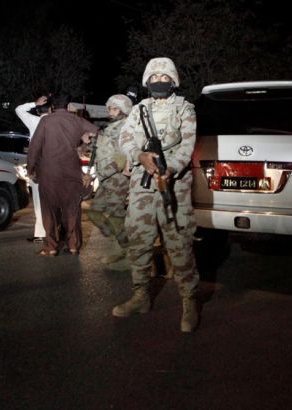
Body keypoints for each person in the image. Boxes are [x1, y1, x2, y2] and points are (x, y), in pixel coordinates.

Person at [113, 57, 200, 332]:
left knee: (179, 242)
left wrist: (170, 168)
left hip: (174, 185)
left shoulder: (185, 108)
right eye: (154, 77)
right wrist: (138, 155)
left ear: (173, 81)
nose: (159, 81)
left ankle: (189, 300)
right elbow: (125, 138)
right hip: (142, 184)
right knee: (138, 241)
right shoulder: (139, 109)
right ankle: (140, 295)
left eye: (164, 78)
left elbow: (187, 145)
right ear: (147, 81)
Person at [26, 94, 98, 256]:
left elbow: (34, 147)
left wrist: (31, 169)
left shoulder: (46, 121)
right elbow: (97, 133)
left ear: (52, 107)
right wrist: (83, 143)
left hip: (49, 173)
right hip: (71, 171)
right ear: (68, 106)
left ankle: (51, 247)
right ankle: (73, 246)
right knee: (72, 209)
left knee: (49, 211)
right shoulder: (77, 120)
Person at [85, 94, 132, 266]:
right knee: (94, 212)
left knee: (115, 216)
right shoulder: (110, 128)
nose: (110, 112)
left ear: (123, 110)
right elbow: (100, 149)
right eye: (109, 108)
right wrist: (90, 141)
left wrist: (100, 174)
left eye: (114, 109)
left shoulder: (125, 129)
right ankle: (124, 242)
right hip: (106, 179)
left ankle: (126, 249)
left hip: (117, 180)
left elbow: (121, 159)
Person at [16, 95, 49, 241]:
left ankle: (42, 234)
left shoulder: (34, 121)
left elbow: (18, 110)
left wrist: (34, 103)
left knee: (38, 201)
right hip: (53, 166)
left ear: (38, 111)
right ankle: (54, 232)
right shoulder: (56, 123)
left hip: (37, 167)